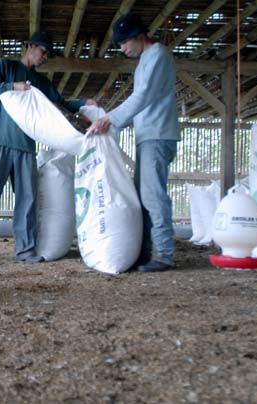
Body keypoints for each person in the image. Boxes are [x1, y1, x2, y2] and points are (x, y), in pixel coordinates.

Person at [0, 32, 94, 262]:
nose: (45, 57)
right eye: (43, 51)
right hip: (0, 142)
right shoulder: (6, 67)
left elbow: (61, 104)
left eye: (48, 54)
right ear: (30, 46)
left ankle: (25, 251)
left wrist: (83, 103)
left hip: (26, 147)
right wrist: (13, 86)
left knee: (28, 199)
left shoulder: (42, 83)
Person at [87, 13, 180, 273]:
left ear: (140, 36)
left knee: (153, 195)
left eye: (125, 42)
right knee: (145, 195)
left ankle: (163, 255)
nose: (123, 48)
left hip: (158, 134)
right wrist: (111, 120)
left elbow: (143, 97)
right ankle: (149, 253)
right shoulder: (145, 61)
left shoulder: (158, 55)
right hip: (148, 135)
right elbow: (141, 102)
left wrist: (109, 119)